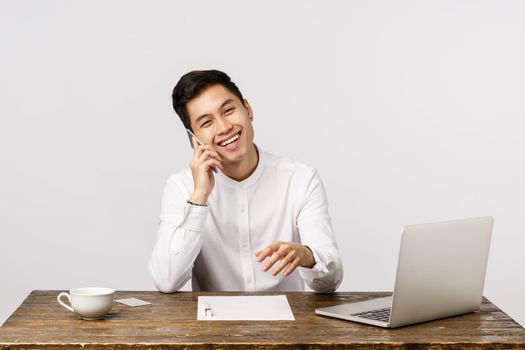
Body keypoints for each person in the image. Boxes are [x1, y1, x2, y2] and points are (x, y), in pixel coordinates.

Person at [149, 70, 343, 292]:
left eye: (228, 110)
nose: (224, 128)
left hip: (287, 324)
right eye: (206, 122)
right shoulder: (181, 187)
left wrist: (307, 256)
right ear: (193, 139)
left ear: (248, 109)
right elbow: (166, 281)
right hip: (214, 325)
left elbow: (331, 281)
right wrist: (199, 198)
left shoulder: (300, 178)